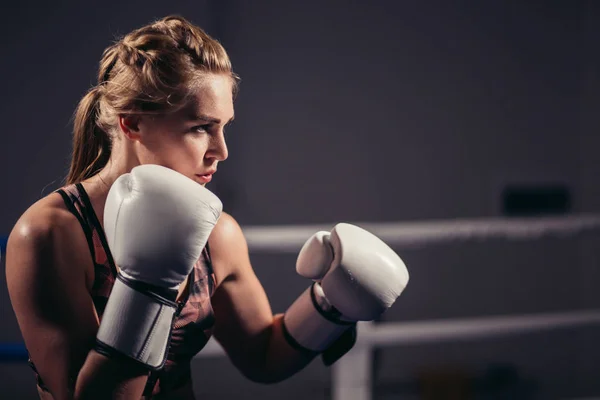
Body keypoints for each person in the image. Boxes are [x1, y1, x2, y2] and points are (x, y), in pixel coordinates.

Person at [5, 15, 409, 400]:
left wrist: (329, 306)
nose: (221, 151)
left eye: (224, 127)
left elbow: (263, 357)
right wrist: (148, 289)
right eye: (201, 128)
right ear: (132, 123)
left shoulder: (217, 234)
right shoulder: (52, 234)